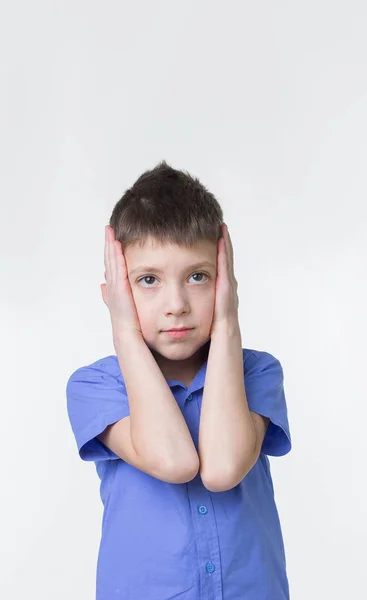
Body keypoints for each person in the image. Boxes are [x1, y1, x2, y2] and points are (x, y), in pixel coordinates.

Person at [66, 160, 292, 600]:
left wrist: (226, 323)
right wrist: (125, 332)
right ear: (115, 292)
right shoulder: (97, 386)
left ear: (225, 281)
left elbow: (224, 468)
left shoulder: (257, 372)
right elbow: (175, 462)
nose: (176, 304)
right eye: (147, 280)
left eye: (198, 277)